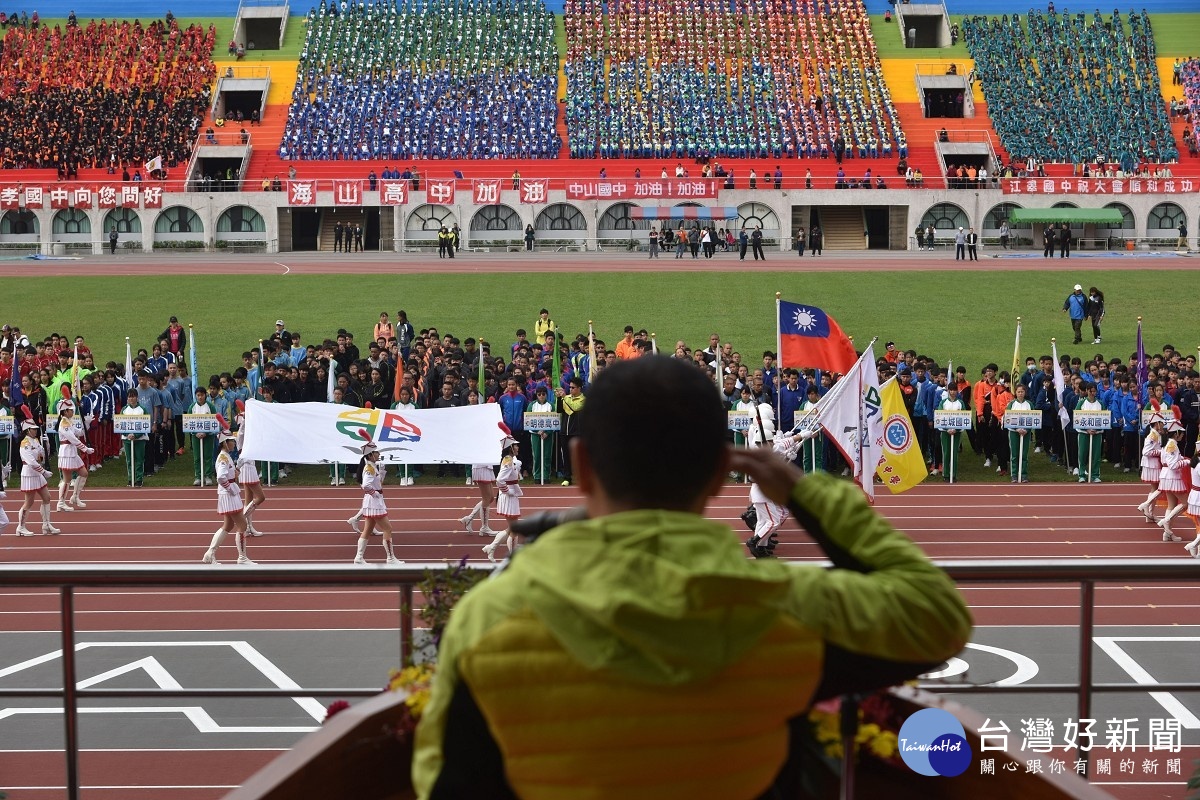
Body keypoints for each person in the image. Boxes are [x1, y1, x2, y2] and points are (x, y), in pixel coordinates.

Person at [412, 356, 971, 798]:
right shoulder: (786, 607)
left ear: (582, 468)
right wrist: (804, 491)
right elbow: (936, 614)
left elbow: (445, 783)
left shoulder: (491, 618)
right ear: (716, 476)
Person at [202, 429, 254, 565]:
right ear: (225, 443)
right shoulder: (223, 457)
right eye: (231, 441)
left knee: (228, 525)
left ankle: (210, 553)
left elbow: (228, 473)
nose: (234, 443)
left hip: (228, 493)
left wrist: (236, 471)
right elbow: (220, 477)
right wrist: (230, 488)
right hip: (229, 494)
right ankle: (242, 557)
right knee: (242, 524)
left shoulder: (226, 456)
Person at [352, 436, 401, 565]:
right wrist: (375, 495)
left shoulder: (373, 466)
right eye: (376, 452)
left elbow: (378, 483)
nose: (379, 454)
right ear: (371, 455)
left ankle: (359, 557)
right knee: (388, 529)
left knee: (367, 530)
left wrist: (382, 472)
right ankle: (390, 558)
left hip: (372, 501)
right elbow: (365, 486)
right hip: (374, 502)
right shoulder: (369, 468)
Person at [14, 417, 59, 536]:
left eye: (35, 428)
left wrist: (47, 445)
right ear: (27, 430)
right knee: (29, 502)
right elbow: (31, 462)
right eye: (33, 429)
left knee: (47, 497)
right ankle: (21, 527)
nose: (36, 430)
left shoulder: (36, 441)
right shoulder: (25, 443)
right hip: (29, 473)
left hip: (37, 473)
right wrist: (43, 472)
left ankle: (46, 524)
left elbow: (42, 457)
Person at [482, 432, 522, 562]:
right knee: (514, 528)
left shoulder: (511, 460)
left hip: (511, 495)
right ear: (511, 447)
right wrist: (507, 491)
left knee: (513, 528)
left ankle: (492, 548)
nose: (518, 447)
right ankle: (511, 557)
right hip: (508, 496)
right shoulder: (508, 460)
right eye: (516, 445)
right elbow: (499, 480)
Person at [55, 395, 94, 512]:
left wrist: (86, 424)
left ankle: (75, 496)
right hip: (66, 452)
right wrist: (85, 449)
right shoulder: (64, 423)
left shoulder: (69, 422)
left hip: (72, 452)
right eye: (71, 410)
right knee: (67, 479)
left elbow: (80, 433)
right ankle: (61, 502)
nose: (73, 412)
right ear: (65, 411)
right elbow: (73, 439)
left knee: (84, 473)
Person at [235, 401, 266, 537]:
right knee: (260, 497)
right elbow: (240, 436)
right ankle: (242, 520)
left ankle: (248, 527)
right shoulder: (244, 428)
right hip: (247, 465)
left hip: (249, 464)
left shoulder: (251, 427)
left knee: (248, 499)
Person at [1137, 415, 1166, 524]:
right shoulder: (1153, 435)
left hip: (1154, 464)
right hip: (1152, 465)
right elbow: (1146, 452)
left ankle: (1149, 514)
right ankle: (1148, 509)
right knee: (1157, 488)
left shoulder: (1157, 434)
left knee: (1155, 488)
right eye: (1161, 422)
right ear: (1157, 424)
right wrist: (1160, 452)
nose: (1163, 424)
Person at [1074, 383, 1105, 483]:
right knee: (1082, 454)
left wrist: (1097, 429)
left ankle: (1095, 475)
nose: (1092, 393)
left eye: (1094, 391)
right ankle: (1082, 474)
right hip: (1083, 433)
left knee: (1096, 455)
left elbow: (1105, 419)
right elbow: (1077, 418)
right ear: (1087, 391)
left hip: (1097, 433)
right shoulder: (1081, 403)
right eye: (1090, 391)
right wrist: (1086, 429)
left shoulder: (1100, 403)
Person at [1005, 383, 1034, 483]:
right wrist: (1016, 428)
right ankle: (1014, 474)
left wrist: (1026, 429)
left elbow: (1034, 419)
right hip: (1014, 432)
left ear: (1025, 392)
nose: (1020, 393)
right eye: (1018, 392)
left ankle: (1024, 474)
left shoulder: (1029, 404)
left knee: (1024, 454)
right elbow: (1007, 418)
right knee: (1014, 454)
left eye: (1022, 391)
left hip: (1026, 433)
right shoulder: (1012, 404)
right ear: (1015, 393)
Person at [937, 382, 966, 482]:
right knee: (946, 452)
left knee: (954, 453)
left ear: (957, 391)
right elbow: (940, 417)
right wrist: (947, 429)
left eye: (954, 390)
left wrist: (956, 429)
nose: (953, 392)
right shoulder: (943, 402)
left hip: (957, 432)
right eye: (951, 390)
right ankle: (946, 474)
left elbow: (964, 417)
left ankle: (953, 474)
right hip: (945, 432)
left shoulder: (960, 403)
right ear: (948, 391)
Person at [1185, 447, 1200, 558]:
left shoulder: (1195, 463)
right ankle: (1194, 545)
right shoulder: (1199, 465)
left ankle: (1196, 548)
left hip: (1195, 496)